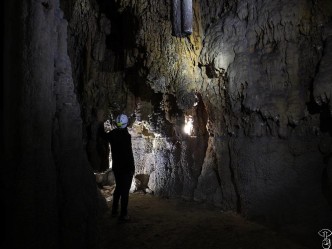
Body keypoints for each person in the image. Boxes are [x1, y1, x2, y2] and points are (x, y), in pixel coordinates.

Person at [104, 114, 135, 221]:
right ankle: (123, 214)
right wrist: (132, 168)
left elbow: (104, 136)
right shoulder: (127, 136)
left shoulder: (112, 135)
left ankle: (114, 211)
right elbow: (128, 154)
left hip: (117, 167)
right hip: (126, 167)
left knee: (118, 188)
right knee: (125, 191)